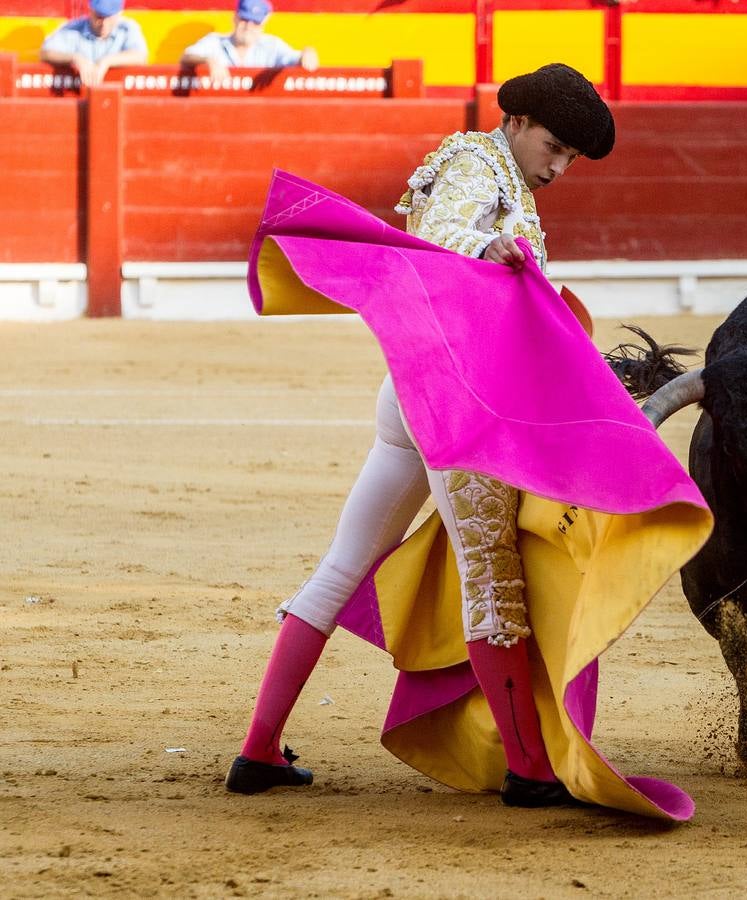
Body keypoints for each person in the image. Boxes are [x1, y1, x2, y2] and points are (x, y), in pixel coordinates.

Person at [227, 63, 618, 808]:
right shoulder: (479, 163)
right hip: (454, 402)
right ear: (517, 122)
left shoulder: (491, 168)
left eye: (572, 158)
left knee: (345, 566)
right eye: (555, 146)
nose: (559, 167)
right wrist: (488, 252)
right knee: (492, 578)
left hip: (416, 388)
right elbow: (442, 236)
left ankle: (259, 750)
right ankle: (531, 772)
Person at [180, 0, 317, 83]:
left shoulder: (272, 45)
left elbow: (297, 58)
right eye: (245, 19)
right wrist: (208, 60)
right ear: (235, 18)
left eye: (255, 22)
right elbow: (186, 56)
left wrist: (308, 52)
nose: (248, 26)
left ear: (262, 25)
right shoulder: (214, 41)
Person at [39, 0, 148, 88]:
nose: (104, 23)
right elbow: (46, 52)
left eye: (109, 17)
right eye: (99, 16)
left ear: (119, 14)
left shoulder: (127, 29)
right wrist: (75, 58)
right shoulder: (74, 30)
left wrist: (106, 61)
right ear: (90, 11)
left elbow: (140, 56)